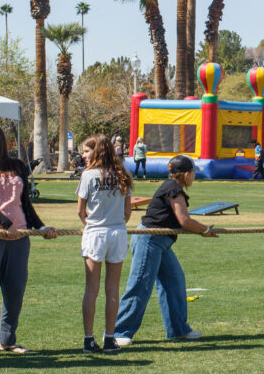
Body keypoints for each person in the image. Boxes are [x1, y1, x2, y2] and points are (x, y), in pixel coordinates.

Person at [0, 123, 57, 356]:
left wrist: (41, 226)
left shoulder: (18, 166)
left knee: (15, 290)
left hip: (20, 238)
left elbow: (25, 203)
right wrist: (6, 225)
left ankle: (7, 340)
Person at [114, 155, 217, 346]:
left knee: (174, 282)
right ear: (186, 174)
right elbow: (184, 220)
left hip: (161, 242)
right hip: (149, 239)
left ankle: (177, 330)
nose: (194, 177)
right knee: (140, 285)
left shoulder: (173, 187)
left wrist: (203, 230)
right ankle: (119, 332)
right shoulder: (173, 188)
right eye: (193, 173)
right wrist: (206, 230)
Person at [76, 134, 133, 353]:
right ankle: (110, 338)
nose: (83, 154)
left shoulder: (88, 175)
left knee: (92, 289)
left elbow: (81, 211)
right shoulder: (123, 174)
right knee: (112, 290)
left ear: (97, 151)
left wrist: (90, 223)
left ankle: (89, 339)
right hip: (118, 233)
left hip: (95, 234)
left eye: (86, 150)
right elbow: (128, 212)